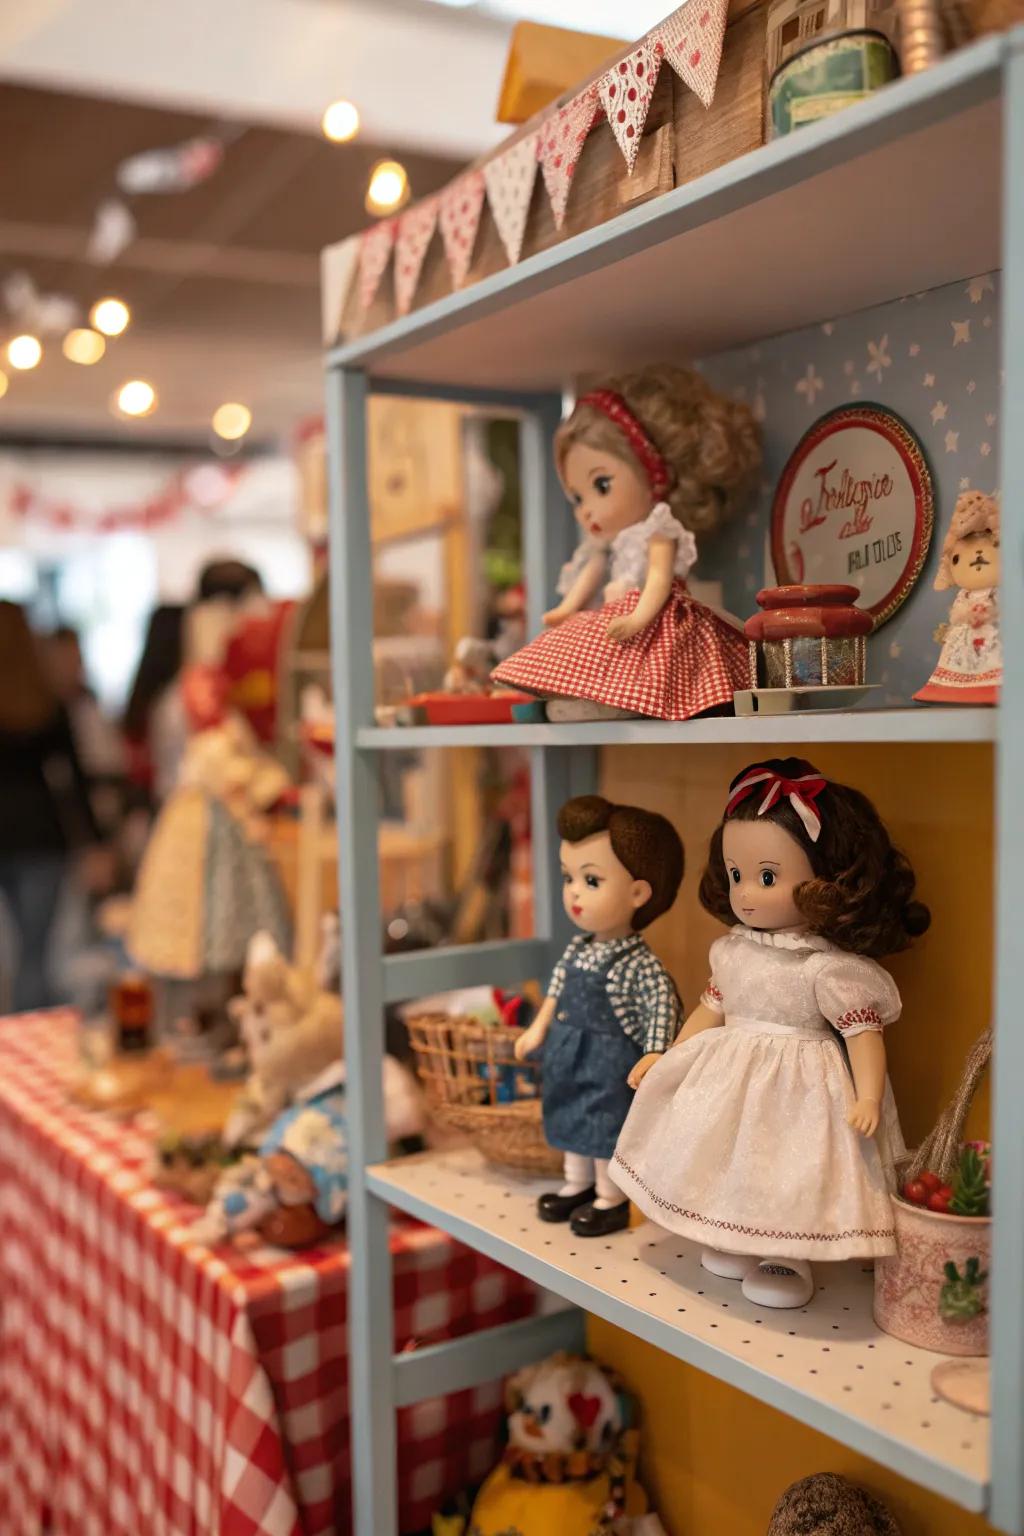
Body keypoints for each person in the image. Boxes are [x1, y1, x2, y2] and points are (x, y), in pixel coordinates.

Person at [0, 603, 108, 1010]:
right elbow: (73, 780)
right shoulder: (43, 698)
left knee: (14, 955)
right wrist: (94, 840)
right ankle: (27, 1039)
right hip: (41, 836)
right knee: (36, 953)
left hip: (18, 837)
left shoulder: (44, 694)